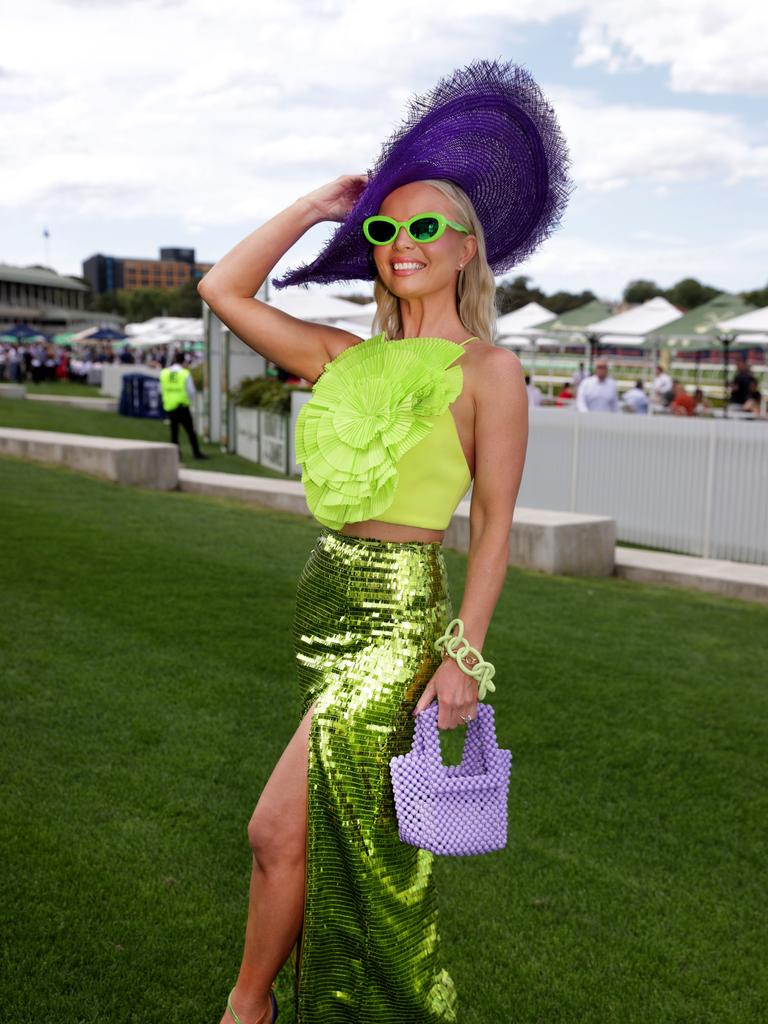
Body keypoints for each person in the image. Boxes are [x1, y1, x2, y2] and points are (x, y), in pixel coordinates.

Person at [198, 58, 572, 1024]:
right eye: (384, 227)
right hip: (329, 603)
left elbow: (492, 527)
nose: (400, 243)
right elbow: (223, 289)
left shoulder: (491, 372)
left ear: (465, 250)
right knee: (299, 836)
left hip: (402, 620)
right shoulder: (346, 357)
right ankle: (258, 1006)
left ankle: (254, 1010)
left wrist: (462, 656)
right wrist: (313, 206)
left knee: (291, 832)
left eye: (423, 228)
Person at [159, 352, 208, 459]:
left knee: (174, 432)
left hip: (170, 406)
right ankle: (196, 453)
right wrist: (188, 400)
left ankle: (175, 455)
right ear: (184, 362)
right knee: (190, 431)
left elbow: (160, 389)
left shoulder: (164, 373)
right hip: (182, 406)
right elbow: (191, 391)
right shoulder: (184, 373)